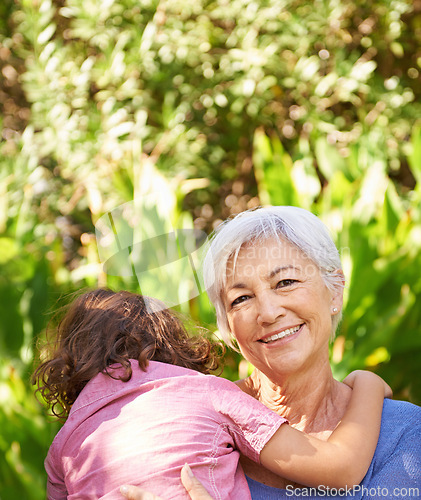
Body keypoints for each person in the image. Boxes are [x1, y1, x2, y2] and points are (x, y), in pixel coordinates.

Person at [124, 205, 421, 499]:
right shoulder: (198, 436)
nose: (267, 313)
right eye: (241, 299)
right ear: (227, 325)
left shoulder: (404, 434)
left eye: (286, 282)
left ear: (335, 291)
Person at [33, 287, 389, 500]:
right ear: (172, 342)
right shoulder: (208, 393)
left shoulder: (63, 445)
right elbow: (340, 468)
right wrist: (369, 384)